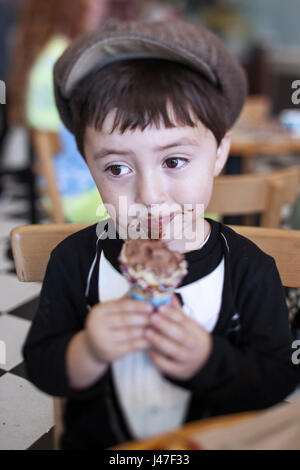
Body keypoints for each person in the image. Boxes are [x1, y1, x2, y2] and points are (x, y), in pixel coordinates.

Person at [22, 20, 299, 450]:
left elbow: (275, 380)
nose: (150, 197)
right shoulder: (75, 261)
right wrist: (89, 351)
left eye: (174, 161)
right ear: (88, 163)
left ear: (220, 152)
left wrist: (209, 360)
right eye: (117, 168)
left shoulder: (249, 268)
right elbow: (42, 367)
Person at [8, 0, 110, 223]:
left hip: (67, 186)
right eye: (91, 2)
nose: (100, 6)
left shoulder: (51, 53)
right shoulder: (68, 61)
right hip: (83, 192)